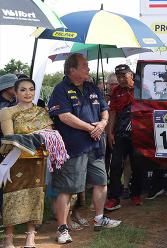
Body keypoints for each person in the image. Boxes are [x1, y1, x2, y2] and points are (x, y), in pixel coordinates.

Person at [47, 54, 121, 244]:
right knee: (67, 188)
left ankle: (99, 218)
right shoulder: (60, 89)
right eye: (84, 66)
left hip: (95, 146)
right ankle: (62, 229)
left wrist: (102, 124)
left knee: (101, 182)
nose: (88, 68)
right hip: (73, 147)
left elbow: (105, 109)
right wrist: (91, 128)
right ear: (72, 70)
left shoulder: (91, 87)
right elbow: (64, 116)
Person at [0, 78, 56, 248]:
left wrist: (36, 136)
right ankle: (8, 238)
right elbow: (10, 137)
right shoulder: (7, 112)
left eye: (31, 89)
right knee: (11, 196)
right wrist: (36, 135)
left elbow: (49, 134)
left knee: (35, 196)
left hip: (37, 161)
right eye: (23, 90)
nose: (28, 93)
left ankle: (30, 237)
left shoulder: (41, 111)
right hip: (15, 160)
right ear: (15, 93)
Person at [105, 64, 146, 210]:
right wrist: (110, 132)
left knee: (138, 165)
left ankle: (136, 195)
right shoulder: (116, 91)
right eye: (118, 77)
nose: (121, 79)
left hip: (138, 134)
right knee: (115, 165)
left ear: (131, 75)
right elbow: (113, 112)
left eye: (124, 76)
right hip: (120, 133)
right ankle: (114, 198)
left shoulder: (142, 89)